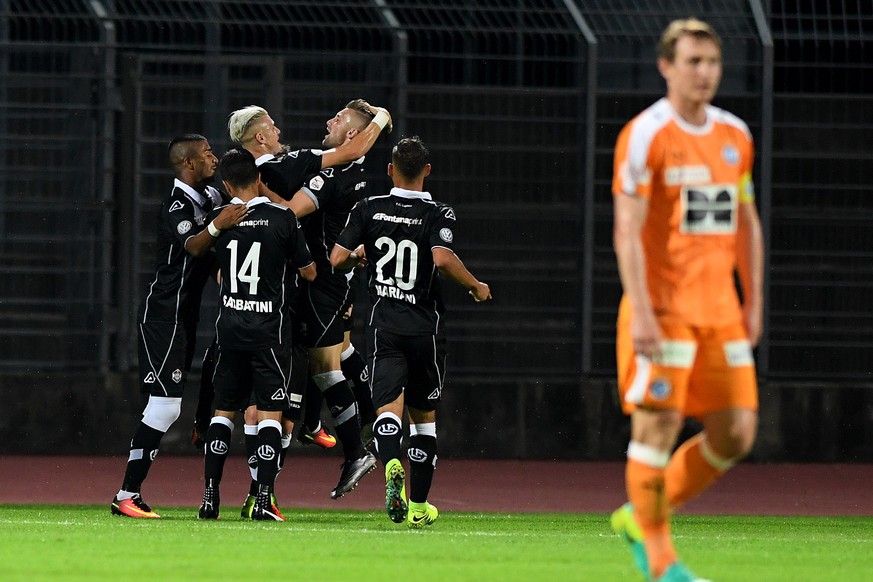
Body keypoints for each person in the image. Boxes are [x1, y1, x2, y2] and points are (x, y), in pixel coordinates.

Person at [609, 19, 763, 581]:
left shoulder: (736, 135)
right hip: (664, 311)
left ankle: (640, 515)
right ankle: (661, 562)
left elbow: (746, 221)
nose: (705, 73)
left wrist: (753, 303)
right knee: (657, 428)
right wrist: (643, 311)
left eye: (713, 63)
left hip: (720, 311)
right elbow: (626, 230)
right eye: (693, 62)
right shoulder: (646, 134)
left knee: (737, 432)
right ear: (666, 67)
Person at [229, 101, 389, 500]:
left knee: (319, 365)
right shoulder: (342, 172)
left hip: (316, 284)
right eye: (272, 124)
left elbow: (286, 213)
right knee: (337, 350)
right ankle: (332, 420)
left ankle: (353, 446)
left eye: (337, 120)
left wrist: (258, 195)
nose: (328, 120)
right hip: (330, 282)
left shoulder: (319, 174)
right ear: (261, 136)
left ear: (352, 134)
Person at [330, 136, 492, 528]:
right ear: (427, 170)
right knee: (424, 419)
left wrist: (359, 255)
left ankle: (390, 468)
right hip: (424, 329)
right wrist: (474, 285)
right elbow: (442, 257)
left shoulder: (368, 208)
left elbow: (336, 259)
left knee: (388, 410)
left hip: (384, 326)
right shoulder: (438, 212)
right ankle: (419, 508)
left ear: (390, 170)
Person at [110, 134, 248, 519]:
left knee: (197, 377)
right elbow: (193, 244)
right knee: (165, 407)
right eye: (206, 154)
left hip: (184, 316)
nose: (213, 158)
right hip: (163, 315)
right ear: (188, 162)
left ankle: (200, 424)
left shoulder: (209, 198)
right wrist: (219, 226)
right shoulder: (175, 204)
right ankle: (127, 494)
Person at [198, 148, 316, 522]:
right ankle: (263, 499)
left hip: (229, 330)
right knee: (269, 412)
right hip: (269, 333)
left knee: (224, 412)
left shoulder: (221, 220)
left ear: (227, 184)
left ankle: (209, 499)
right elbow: (310, 271)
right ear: (259, 179)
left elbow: (218, 272)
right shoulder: (282, 218)